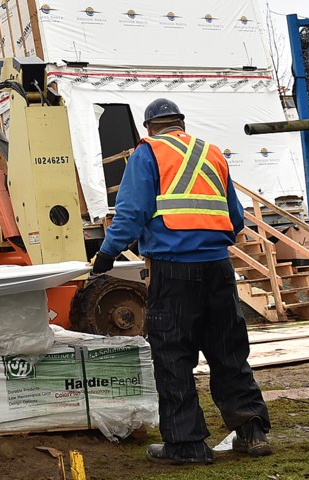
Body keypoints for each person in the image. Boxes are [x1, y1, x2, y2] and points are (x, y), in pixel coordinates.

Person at [92, 98, 271, 465]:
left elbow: (132, 212)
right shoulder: (213, 153)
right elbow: (235, 218)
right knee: (229, 351)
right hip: (218, 267)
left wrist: (108, 253)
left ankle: (187, 445)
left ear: (148, 128)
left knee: (173, 355)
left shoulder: (148, 153)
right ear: (182, 124)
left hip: (174, 271)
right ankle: (251, 432)